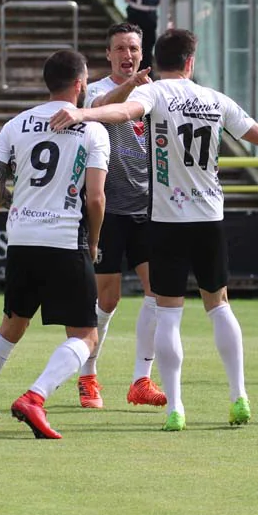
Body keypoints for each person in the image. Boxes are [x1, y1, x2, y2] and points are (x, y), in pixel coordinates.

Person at [49, 28, 258, 431]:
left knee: (168, 313)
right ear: (191, 61)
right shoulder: (215, 99)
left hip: (166, 220)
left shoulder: (153, 94)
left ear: (153, 58)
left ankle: (176, 406)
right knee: (220, 305)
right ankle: (238, 395)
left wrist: (82, 112)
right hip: (209, 218)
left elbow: (119, 113)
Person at [0, 50, 110, 439]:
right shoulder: (93, 130)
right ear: (79, 84)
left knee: (12, 326)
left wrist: (22, 203)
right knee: (85, 337)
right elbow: (95, 198)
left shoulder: (15, 125)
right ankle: (35, 398)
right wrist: (93, 243)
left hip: (22, 237)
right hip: (63, 238)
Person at [74, 22, 166, 410]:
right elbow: (95, 113)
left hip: (151, 208)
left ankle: (141, 380)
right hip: (109, 210)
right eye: (119, 49)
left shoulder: (159, 92)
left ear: (142, 53)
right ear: (108, 54)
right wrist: (129, 88)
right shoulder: (96, 92)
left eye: (133, 48)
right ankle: (88, 374)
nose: (127, 55)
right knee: (107, 300)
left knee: (158, 293)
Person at [124, 0, 162, 70]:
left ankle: (135, 71)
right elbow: (159, 0)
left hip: (137, 15)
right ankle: (148, 72)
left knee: (134, 44)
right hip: (152, 16)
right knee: (148, 46)